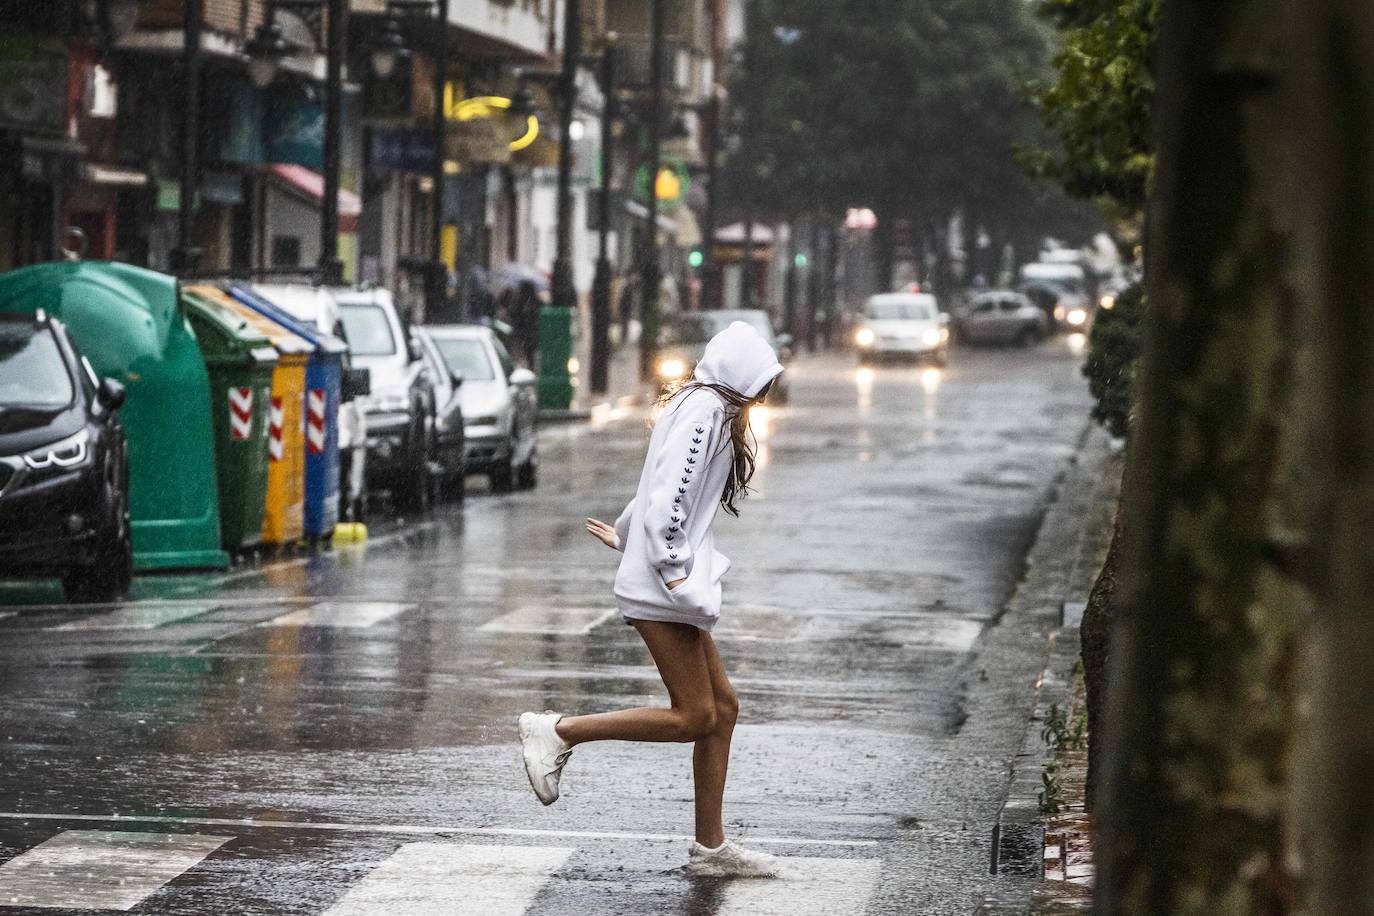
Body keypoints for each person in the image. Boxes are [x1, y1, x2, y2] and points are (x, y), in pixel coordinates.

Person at [518, 321, 785, 878]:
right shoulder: (705, 413)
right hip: (663, 588)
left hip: (665, 580)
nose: (767, 390)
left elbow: (652, 490)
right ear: (743, 376)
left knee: (723, 709)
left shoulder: (703, 407)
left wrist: (626, 536)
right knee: (694, 715)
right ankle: (560, 731)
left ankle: (710, 849)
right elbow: (668, 498)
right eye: (763, 379)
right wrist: (669, 570)